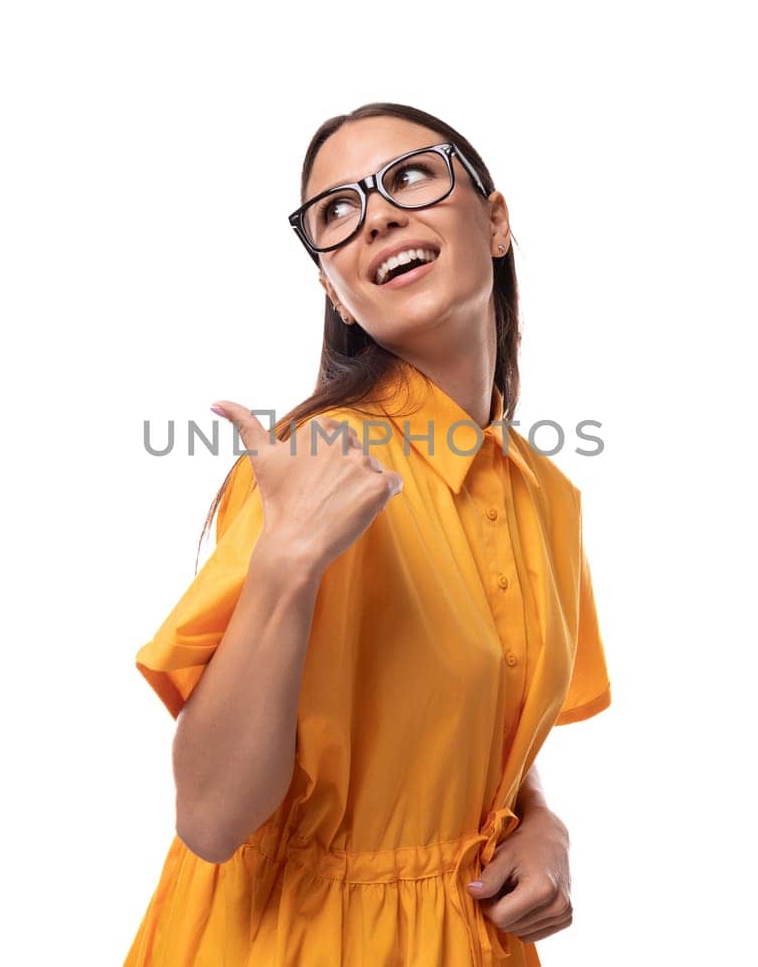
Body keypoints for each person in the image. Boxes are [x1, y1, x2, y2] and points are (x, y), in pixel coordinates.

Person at [125, 103, 612, 965]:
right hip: (293, 943)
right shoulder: (319, 467)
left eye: (411, 175)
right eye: (336, 212)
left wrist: (542, 822)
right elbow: (208, 816)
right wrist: (284, 569)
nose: (377, 213)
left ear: (494, 222)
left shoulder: (546, 496)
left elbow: (473, 730)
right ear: (332, 286)